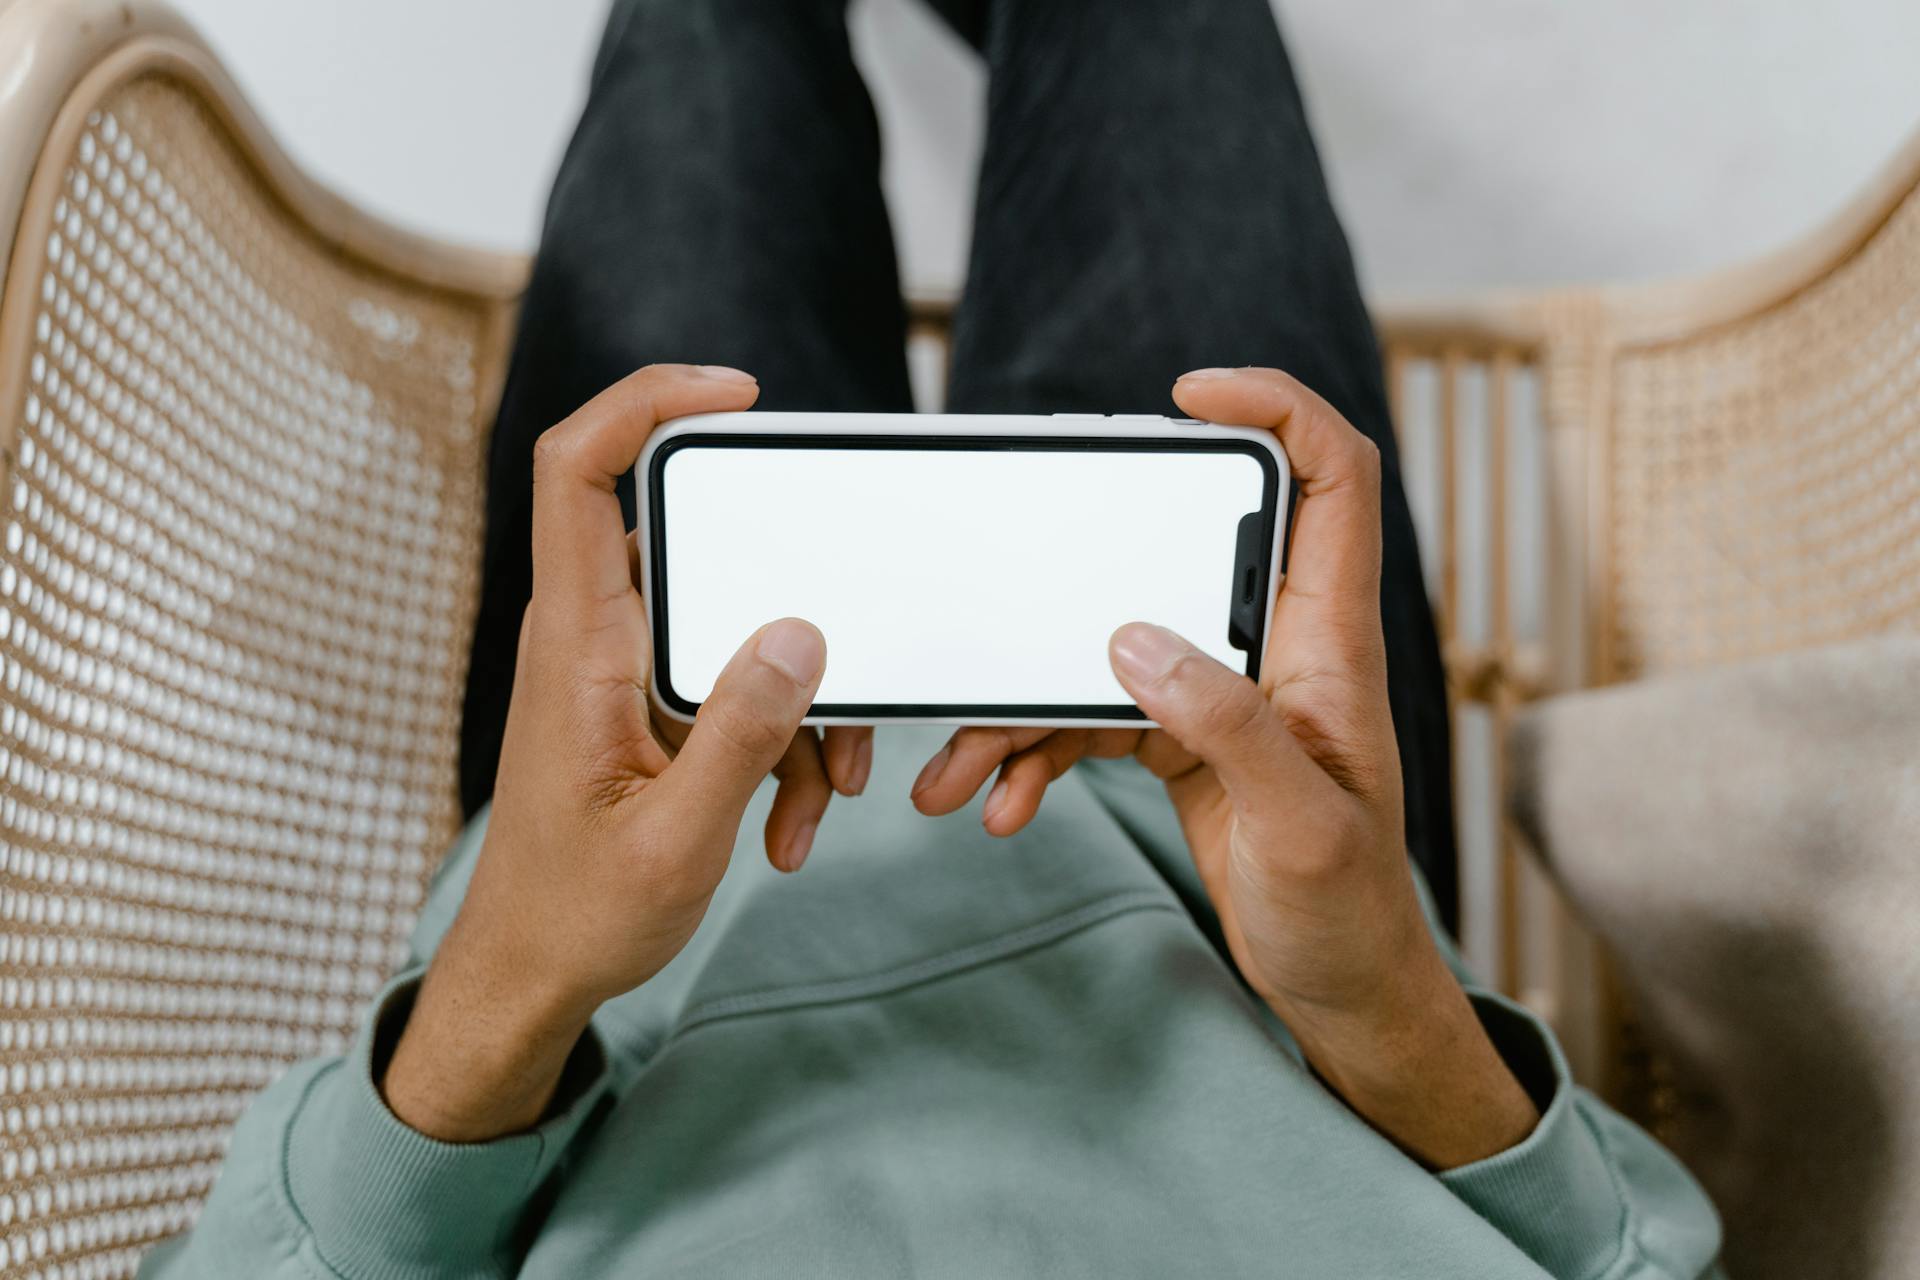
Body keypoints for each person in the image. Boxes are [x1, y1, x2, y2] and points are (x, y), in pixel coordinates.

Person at [140, 2, 1724, 1276]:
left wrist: (514, 973)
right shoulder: (1328, 923)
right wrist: (1378, 992)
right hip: (1249, 830)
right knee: (1170, 29)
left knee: (709, 40)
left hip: (631, 809)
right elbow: (1636, 1258)